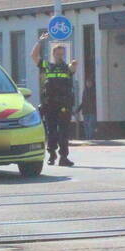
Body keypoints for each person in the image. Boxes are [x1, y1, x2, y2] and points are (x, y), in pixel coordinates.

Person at [31, 32, 77, 166]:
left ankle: (64, 157)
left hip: (64, 103)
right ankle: (52, 155)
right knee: (51, 130)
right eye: (58, 53)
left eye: (62, 53)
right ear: (53, 54)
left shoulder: (67, 67)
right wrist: (39, 42)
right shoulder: (46, 66)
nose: (60, 55)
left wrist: (74, 65)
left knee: (63, 131)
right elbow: (33, 56)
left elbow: (73, 68)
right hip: (50, 103)